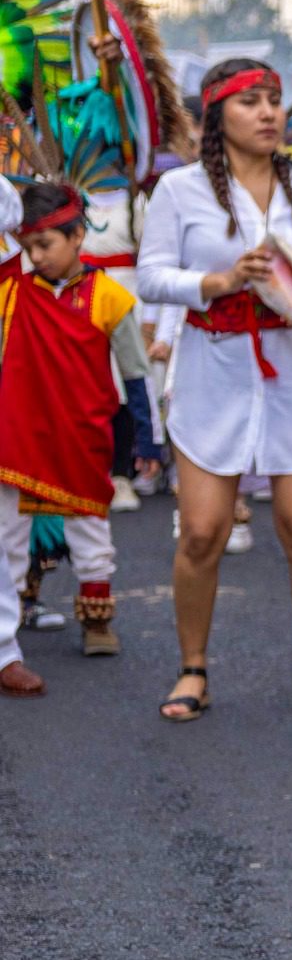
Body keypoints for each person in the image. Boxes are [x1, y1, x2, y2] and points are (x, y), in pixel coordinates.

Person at [134, 58, 292, 721]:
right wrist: (212, 283)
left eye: (275, 100)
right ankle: (193, 669)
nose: (270, 113)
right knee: (203, 531)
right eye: (252, 102)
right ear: (218, 116)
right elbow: (149, 276)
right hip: (214, 364)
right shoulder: (180, 191)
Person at [0, 181, 127, 695]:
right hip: (29, 419)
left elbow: (132, 370)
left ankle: (5, 647)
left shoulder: (98, 293)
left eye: (44, 244)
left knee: (61, 521)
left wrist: (138, 438)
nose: (37, 256)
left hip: (69, 426)